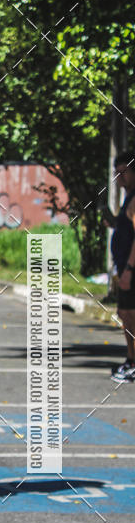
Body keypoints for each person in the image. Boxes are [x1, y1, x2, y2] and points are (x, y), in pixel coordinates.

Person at [110, 152, 135, 382]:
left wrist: (129, 270)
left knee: (131, 314)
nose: (120, 177)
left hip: (131, 269)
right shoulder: (127, 198)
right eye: (117, 173)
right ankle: (130, 359)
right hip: (123, 266)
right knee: (124, 313)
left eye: (124, 172)